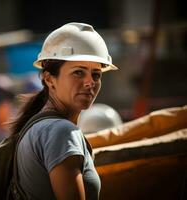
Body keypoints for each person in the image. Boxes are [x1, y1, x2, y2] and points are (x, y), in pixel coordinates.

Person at [10, 22, 118, 200]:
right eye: (78, 72)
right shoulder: (61, 131)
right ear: (49, 79)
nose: (90, 82)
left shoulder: (42, 128)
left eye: (96, 74)